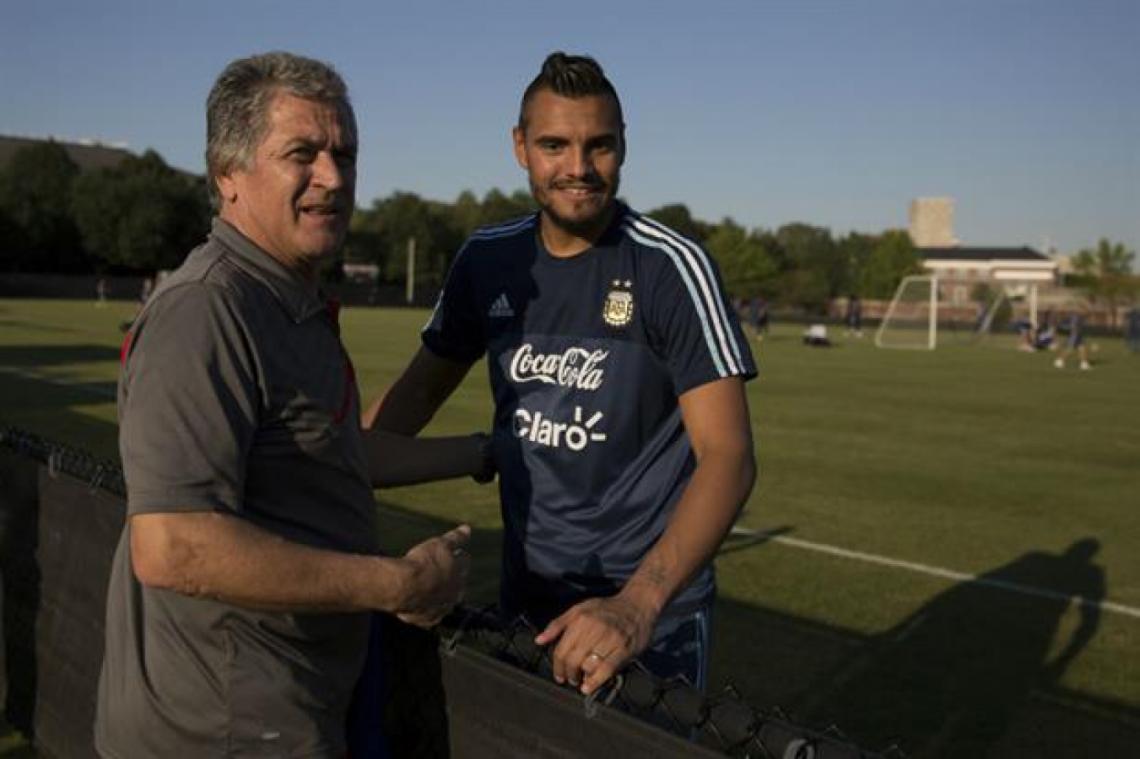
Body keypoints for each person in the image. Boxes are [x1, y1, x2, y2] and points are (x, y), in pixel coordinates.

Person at [96, 52, 485, 758]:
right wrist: (396, 582)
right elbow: (172, 544)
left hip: (290, 706)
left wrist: (486, 452)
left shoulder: (288, 299)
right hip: (222, 730)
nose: (334, 178)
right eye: (302, 154)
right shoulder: (206, 311)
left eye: (345, 153)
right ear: (228, 173)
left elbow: (334, 453)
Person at [365, 52, 756, 697]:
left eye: (598, 146)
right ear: (520, 147)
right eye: (554, 145)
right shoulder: (487, 261)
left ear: (623, 147)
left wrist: (637, 604)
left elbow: (730, 456)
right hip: (528, 600)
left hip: (646, 617)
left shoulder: (670, 268)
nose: (577, 168)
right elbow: (403, 409)